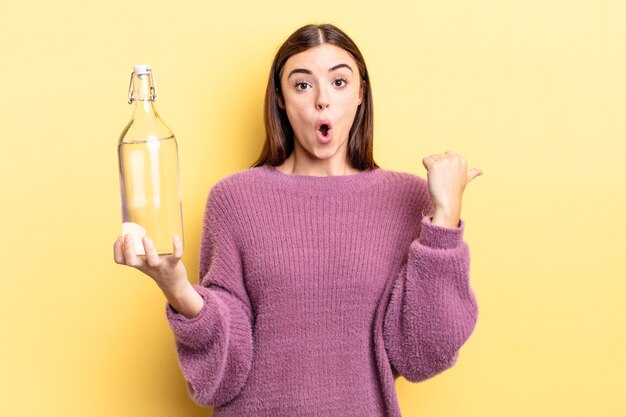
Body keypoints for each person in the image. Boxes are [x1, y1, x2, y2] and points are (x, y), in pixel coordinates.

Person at [113, 23, 482, 417]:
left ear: (360, 94)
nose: (323, 100)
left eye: (339, 82)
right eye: (302, 85)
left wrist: (444, 218)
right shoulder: (236, 199)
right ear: (281, 100)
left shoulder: (407, 198)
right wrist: (177, 288)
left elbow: (423, 353)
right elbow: (222, 373)